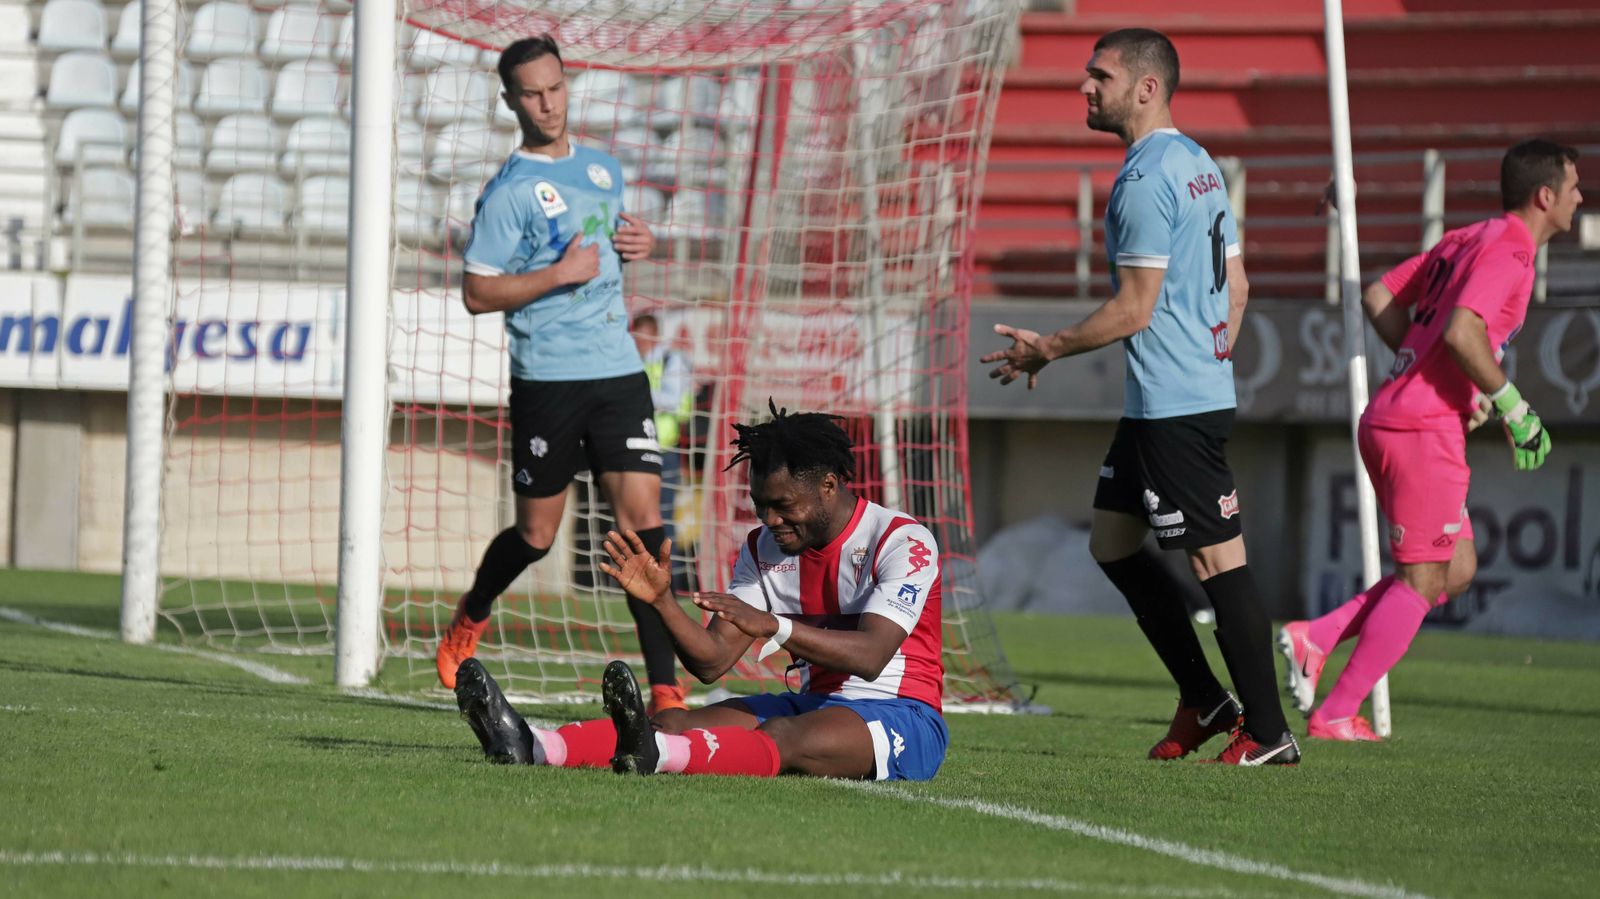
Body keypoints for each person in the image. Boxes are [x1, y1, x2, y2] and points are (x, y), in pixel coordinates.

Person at [982, 28, 1298, 765]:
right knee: (1112, 541)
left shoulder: (1145, 177)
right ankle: (1204, 696)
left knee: (1219, 564)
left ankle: (1271, 731)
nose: (1085, 88)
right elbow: (1239, 286)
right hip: (1174, 395)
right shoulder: (1197, 161)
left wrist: (1048, 348)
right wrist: (1213, 347)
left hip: (1175, 407)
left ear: (1146, 88)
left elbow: (1135, 308)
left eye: (1101, 75)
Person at [452, 402, 950, 781]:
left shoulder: (902, 541)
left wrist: (774, 626)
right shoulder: (764, 548)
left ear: (827, 486)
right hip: (815, 702)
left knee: (781, 737)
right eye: (760, 504)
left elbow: (871, 656)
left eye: (782, 505)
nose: (769, 519)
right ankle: (534, 744)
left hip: (901, 713)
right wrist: (662, 602)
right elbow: (711, 662)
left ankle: (657, 758)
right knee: (670, 719)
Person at [1279, 140, 1581, 741]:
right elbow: (1465, 330)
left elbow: (1379, 296)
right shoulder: (1513, 251)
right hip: (1420, 429)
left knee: (1456, 569)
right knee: (1423, 581)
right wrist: (1514, 407)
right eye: (1574, 186)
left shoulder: (1468, 236)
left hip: (1400, 417)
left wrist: (1427, 371)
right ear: (1545, 196)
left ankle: (1317, 635)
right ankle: (1336, 712)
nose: (1580, 197)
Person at [434, 34, 687, 716]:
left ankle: (666, 687)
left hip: (617, 371)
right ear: (511, 100)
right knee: (538, 533)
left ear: (567, 83)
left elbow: (605, 258)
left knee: (644, 523)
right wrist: (557, 275)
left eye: (556, 88)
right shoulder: (508, 192)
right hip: (547, 379)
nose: (548, 104)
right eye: (532, 94)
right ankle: (473, 611)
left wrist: (640, 245)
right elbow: (477, 293)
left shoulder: (605, 170)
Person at [631, 312, 694, 588]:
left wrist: (635, 392)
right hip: (636, 447)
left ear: (654, 335)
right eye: (635, 335)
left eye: (642, 335)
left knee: (665, 513)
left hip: (664, 449)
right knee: (635, 512)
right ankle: (639, 571)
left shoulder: (672, 360)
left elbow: (672, 398)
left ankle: (673, 579)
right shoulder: (633, 362)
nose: (638, 341)